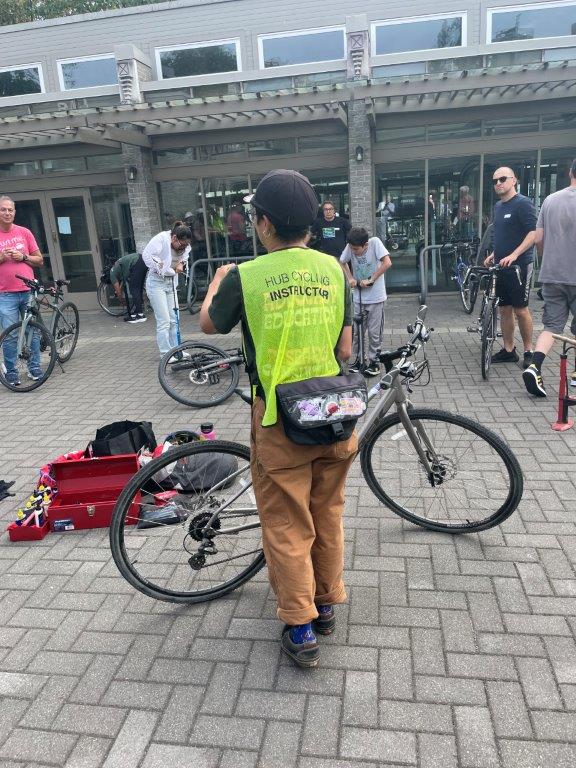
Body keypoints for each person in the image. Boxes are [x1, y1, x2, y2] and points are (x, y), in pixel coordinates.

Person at [199, 169, 356, 668]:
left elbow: (209, 324)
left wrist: (216, 282)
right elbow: (346, 349)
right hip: (333, 414)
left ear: (264, 223)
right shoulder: (334, 270)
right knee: (327, 514)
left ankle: (301, 628)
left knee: (288, 525)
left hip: (277, 421)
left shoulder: (247, 276)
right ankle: (325, 606)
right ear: (310, 222)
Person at [523, 158, 576, 397]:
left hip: (552, 274)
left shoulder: (550, 200)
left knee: (551, 326)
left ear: (570, 173)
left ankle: (535, 366)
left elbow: (538, 239)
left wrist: (549, 258)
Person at [484, 167, 537, 368]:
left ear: (514, 180)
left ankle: (529, 351)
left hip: (519, 266)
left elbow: (533, 233)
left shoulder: (523, 203)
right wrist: (494, 254)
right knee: (504, 309)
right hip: (501, 266)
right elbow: (502, 235)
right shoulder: (498, 207)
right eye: (495, 181)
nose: (498, 183)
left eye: (503, 179)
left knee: (521, 310)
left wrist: (515, 254)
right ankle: (508, 350)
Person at [0, 195, 44, 387]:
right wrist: (2, 258)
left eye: (10, 210)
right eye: (3, 209)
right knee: (10, 334)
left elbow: (39, 260)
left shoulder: (24, 232)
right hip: (5, 294)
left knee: (32, 331)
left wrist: (23, 256)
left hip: (27, 291)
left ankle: (34, 368)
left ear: (14, 212)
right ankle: (11, 372)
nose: (7, 213)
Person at [340, 227, 392, 376]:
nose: (353, 252)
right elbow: (342, 261)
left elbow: (387, 262)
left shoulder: (375, 243)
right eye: (351, 248)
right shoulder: (351, 246)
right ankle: (359, 360)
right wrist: (350, 278)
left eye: (356, 249)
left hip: (376, 298)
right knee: (357, 332)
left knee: (374, 333)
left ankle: (374, 362)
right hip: (359, 298)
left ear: (366, 245)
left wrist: (371, 279)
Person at [142, 221, 191, 356]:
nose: (183, 248)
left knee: (174, 319)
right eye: (181, 244)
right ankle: (165, 353)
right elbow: (147, 255)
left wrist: (181, 263)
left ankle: (177, 351)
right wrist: (163, 267)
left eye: (186, 245)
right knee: (164, 321)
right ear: (174, 238)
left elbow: (185, 255)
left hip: (171, 283)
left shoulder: (184, 245)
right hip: (156, 283)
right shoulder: (161, 239)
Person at [108, 251, 147, 323]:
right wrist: (120, 292)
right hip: (142, 260)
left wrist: (120, 299)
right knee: (139, 289)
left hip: (136, 262)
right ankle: (138, 312)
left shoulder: (112, 273)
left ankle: (139, 315)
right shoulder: (118, 267)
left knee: (134, 289)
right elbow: (122, 283)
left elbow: (117, 288)